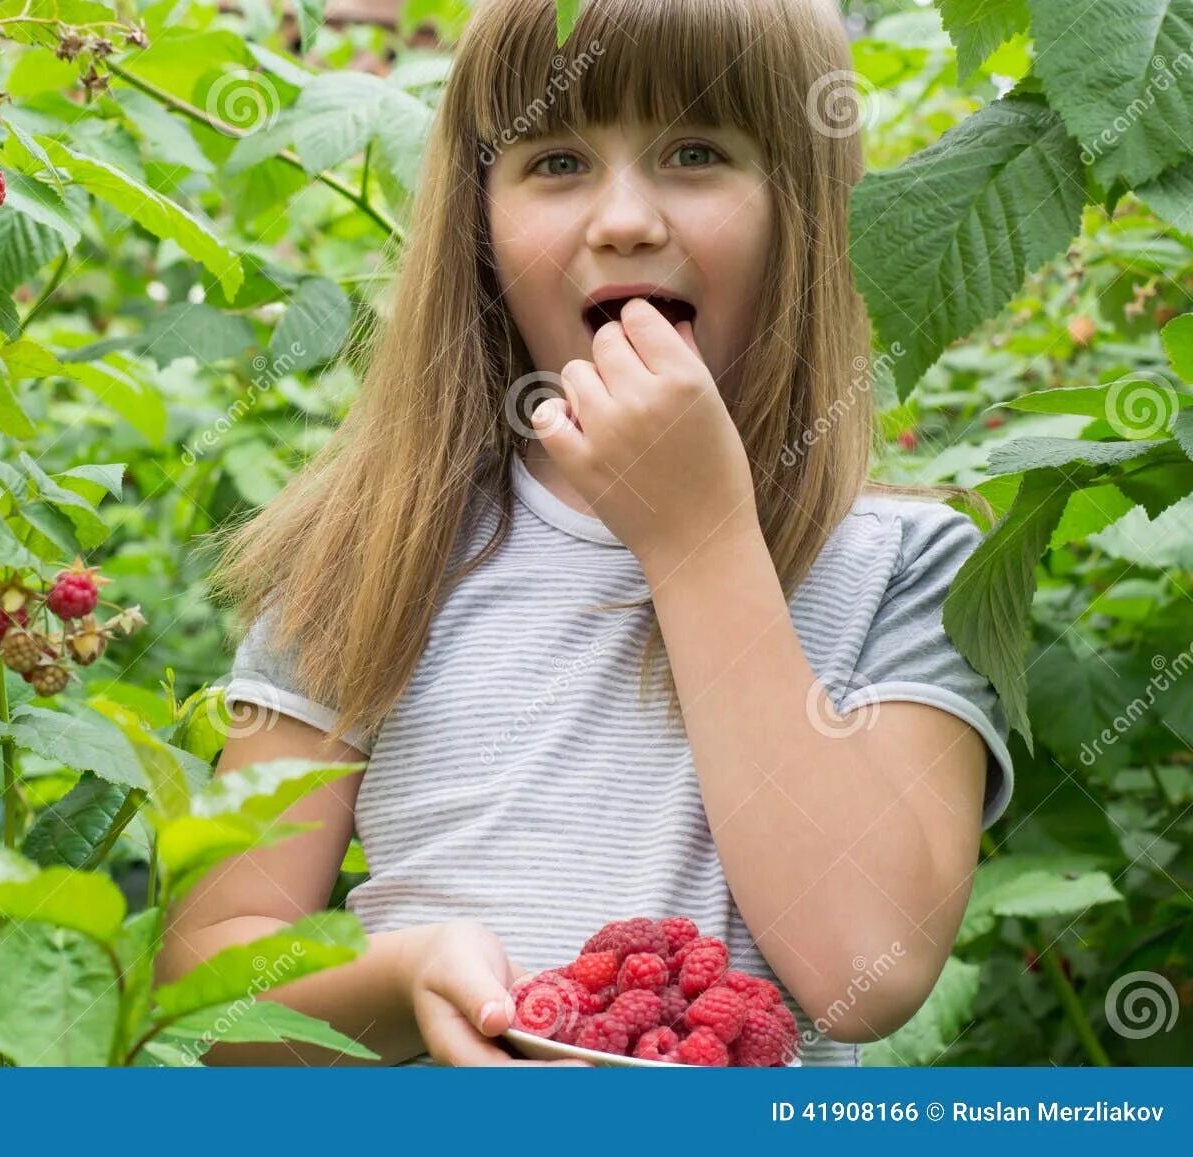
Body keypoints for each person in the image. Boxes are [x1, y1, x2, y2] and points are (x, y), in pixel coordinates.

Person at [158, 0, 1015, 1067]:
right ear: (479, 219)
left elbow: (868, 966)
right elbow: (201, 987)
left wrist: (697, 540)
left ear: (805, 206)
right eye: (555, 160)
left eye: (696, 152)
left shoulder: (909, 565)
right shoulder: (372, 549)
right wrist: (401, 975)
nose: (623, 220)